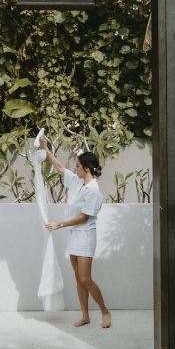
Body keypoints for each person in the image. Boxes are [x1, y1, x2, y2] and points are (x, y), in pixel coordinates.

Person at [40, 136, 111, 328]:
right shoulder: (77, 182)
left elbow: (84, 218)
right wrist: (46, 149)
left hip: (85, 236)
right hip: (74, 235)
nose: (76, 168)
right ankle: (85, 315)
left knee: (85, 278)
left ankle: (105, 312)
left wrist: (60, 225)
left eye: (78, 166)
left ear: (86, 169)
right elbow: (61, 167)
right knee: (78, 279)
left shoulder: (94, 192)